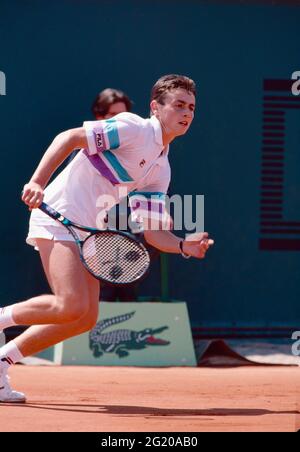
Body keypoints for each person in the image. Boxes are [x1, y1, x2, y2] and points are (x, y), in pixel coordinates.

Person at [0, 74, 214, 402]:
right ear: (156, 107)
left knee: (84, 318)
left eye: (192, 108)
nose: (187, 113)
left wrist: (184, 246)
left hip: (88, 229)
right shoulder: (133, 127)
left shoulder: (161, 168)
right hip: (58, 214)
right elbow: (69, 137)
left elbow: (153, 232)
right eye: (179, 105)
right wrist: (37, 182)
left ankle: (3, 361)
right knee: (69, 303)